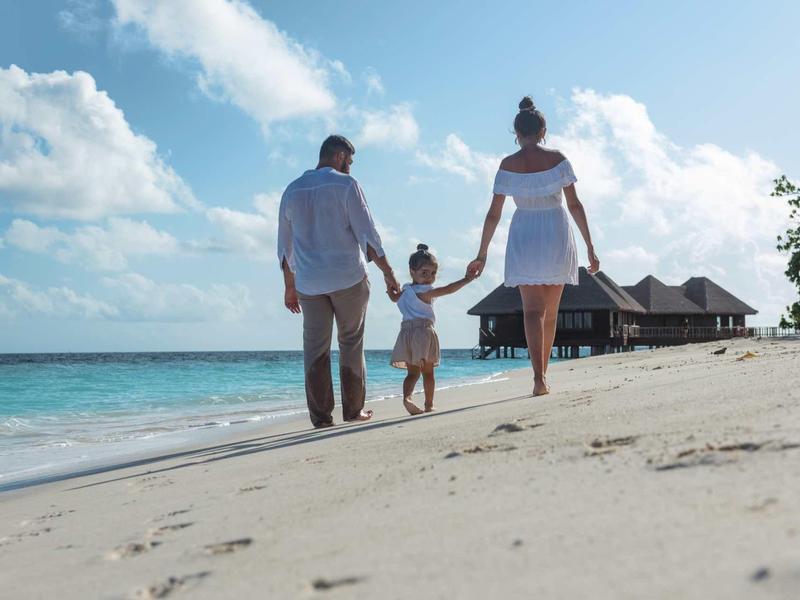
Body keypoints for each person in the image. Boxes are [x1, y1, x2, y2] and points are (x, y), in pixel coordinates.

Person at [468, 96, 600, 397]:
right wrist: (590, 245)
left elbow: (493, 213)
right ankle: (543, 377)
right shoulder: (558, 159)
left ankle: (538, 376)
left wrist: (482, 253)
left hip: (524, 230)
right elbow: (575, 205)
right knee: (550, 312)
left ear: (517, 132)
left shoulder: (508, 164)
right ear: (543, 130)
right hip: (555, 228)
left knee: (532, 310)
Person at [277, 135, 400, 428]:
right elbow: (368, 237)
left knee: (315, 349)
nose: (351, 167)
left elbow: (285, 247)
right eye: (350, 161)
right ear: (340, 156)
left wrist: (289, 286)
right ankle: (353, 410)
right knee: (351, 343)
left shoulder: (292, 190)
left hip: (308, 283)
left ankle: (321, 418)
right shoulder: (347, 185)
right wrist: (389, 272)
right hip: (348, 279)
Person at [389, 244, 476, 415]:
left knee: (412, 373)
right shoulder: (425, 292)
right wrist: (467, 279)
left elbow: (393, 298)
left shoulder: (406, 289)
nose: (429, 278)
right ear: (412, 271)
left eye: (433, 273)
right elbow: (448, 289)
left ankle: (407, 398)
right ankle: (429, 404)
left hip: (405, 333)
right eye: (424, 273)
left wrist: (389, 288)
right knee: (428, 373)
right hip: (423, 332)